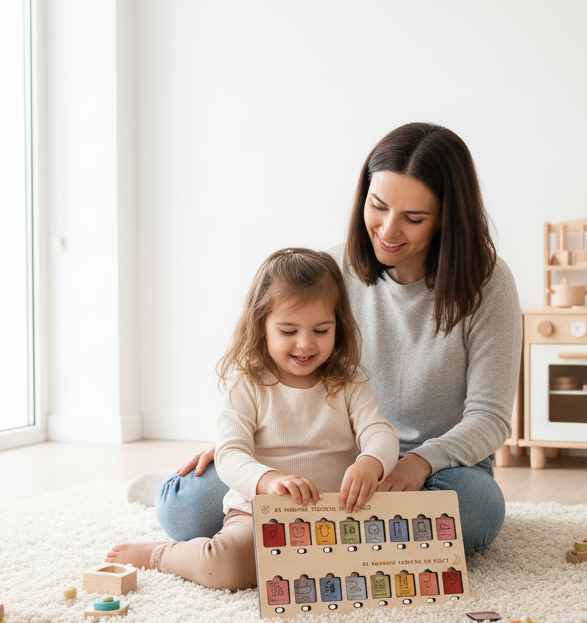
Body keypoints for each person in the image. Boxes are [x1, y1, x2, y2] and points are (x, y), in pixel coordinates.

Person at [131, 122, 521, 556]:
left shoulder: (488, 284)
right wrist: (241, 444)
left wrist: (418, 462)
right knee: (186, 513)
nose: (389, 231)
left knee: (476, 513)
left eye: (413, 218)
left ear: (448, 219)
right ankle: (168, 486)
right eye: (379, 207)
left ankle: (332, 530)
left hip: (437, 465)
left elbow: (489, 418)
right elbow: (279, 363)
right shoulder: (333, 269)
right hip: (332, 455)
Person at [106, 248, 399, 589]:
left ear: (338, 325)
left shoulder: (348, 382)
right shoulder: (248, 384)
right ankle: (160, 554)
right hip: (260, 511)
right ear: (261, 326)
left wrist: (371, 462)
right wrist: (268, 482)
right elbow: (229, 455)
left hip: (336, 515)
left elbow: (380, 431)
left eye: (321, 330)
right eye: (288, 331)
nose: (305, 344)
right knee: (227, 567)